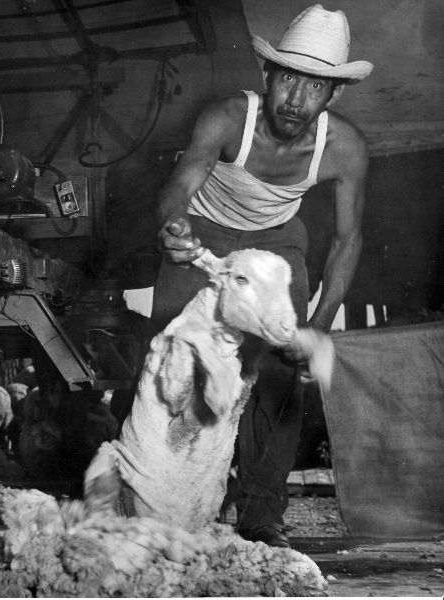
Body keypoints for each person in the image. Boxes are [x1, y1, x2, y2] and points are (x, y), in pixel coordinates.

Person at [151, 3, 373, 547]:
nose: (297, 100)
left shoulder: (344, 147)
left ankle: (261, 514)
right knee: (170, 352)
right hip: (205, 227)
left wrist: (317, 323)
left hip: (277, 238)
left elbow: (348, 240)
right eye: (289, 80)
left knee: (281, 369)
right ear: (268, 76)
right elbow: (181, 184)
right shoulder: (228, 116)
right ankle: (152, 495)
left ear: (334, 95)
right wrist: (173, 225)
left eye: (315, 87)